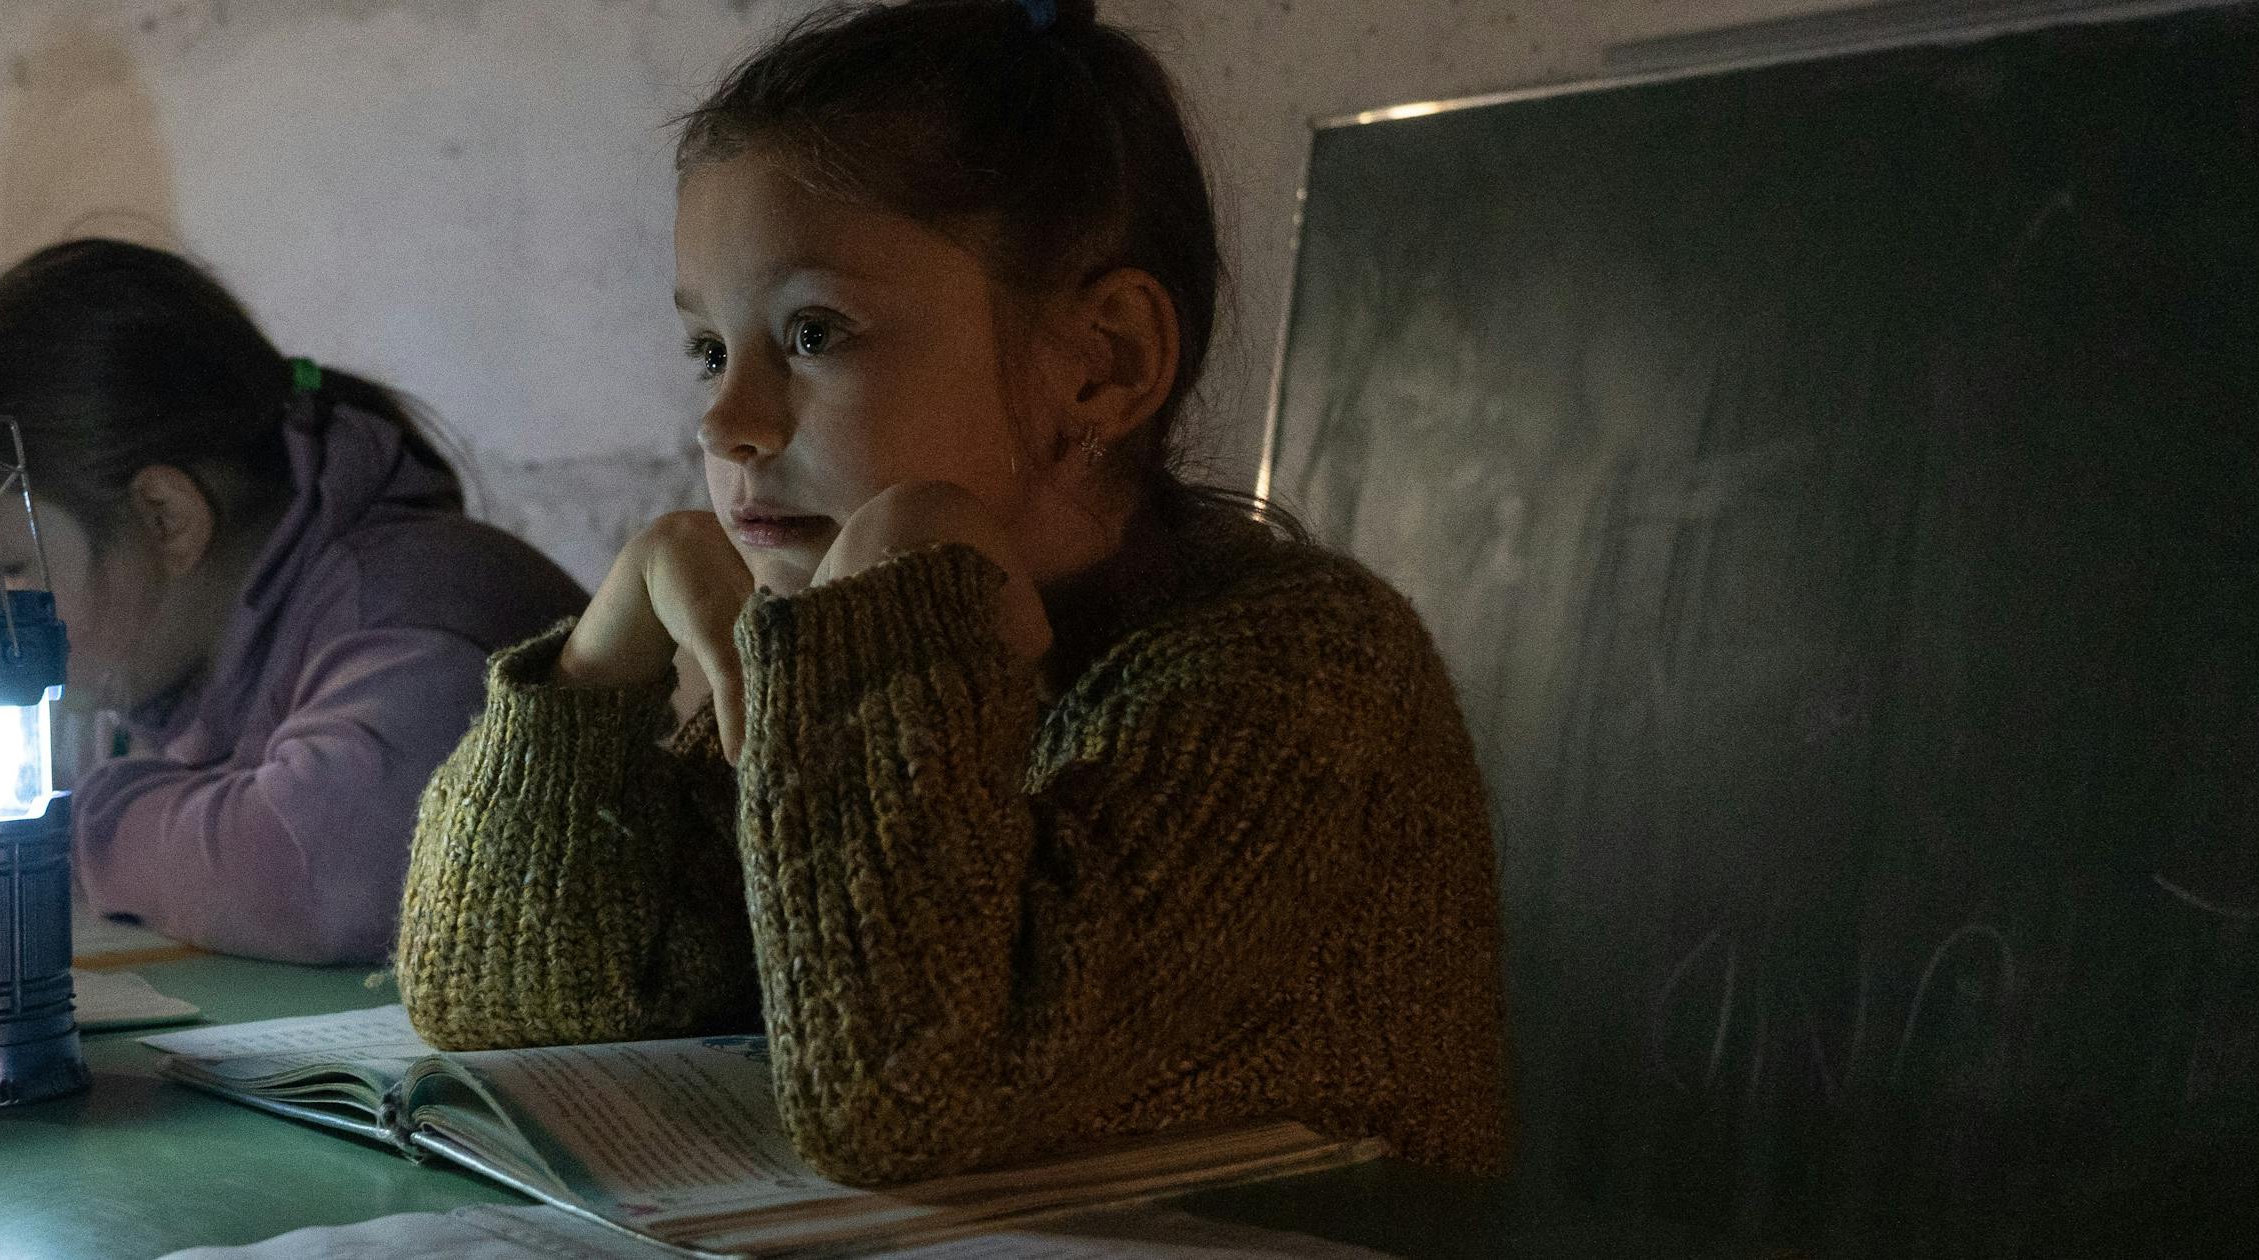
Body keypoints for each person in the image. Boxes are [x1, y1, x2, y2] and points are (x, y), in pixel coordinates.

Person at [393, 0, 1510, 1186]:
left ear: (1104, 363)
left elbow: (911, 1102)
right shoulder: (835, 659)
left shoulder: (1302, 671)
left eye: (814, 332)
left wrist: (890, 627)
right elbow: (493, 996)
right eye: (710, 351)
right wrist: (587, 680)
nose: (724, 423)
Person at [0, 240, 583, 967]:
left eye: (7, 568)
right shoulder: (174, 653)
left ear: (165, 519)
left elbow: (316, 871)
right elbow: (112, 791)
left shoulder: (406, 607)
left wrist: (11, 838)